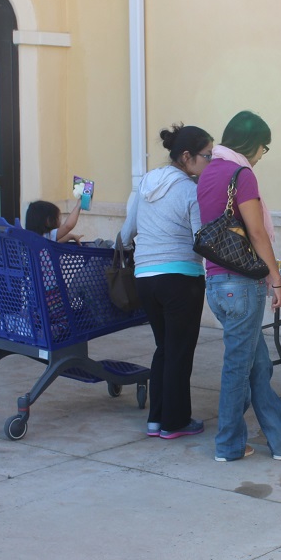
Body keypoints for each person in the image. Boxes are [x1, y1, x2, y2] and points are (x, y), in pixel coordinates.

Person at [197, 110, 281, 463]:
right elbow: (257, 232)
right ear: (252, 144)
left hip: (215, 282)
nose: (262, 156)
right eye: (264, 148)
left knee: (257, 365)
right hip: (241, 283)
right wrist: (276, 279)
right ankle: (228, 445)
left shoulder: (207, 173)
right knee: (238, 366)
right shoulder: (240, 174)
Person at [119, 124, 213, 440]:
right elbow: (203, 239)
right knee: (180, 351)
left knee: (165, 348)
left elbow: (126, 232)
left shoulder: (146, 183)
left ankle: (156, 419)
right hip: (181, 278)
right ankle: (175, 422)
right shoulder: (190, 190)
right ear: (186, 156)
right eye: (207, 156)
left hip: (145, 278)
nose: (210, 163)